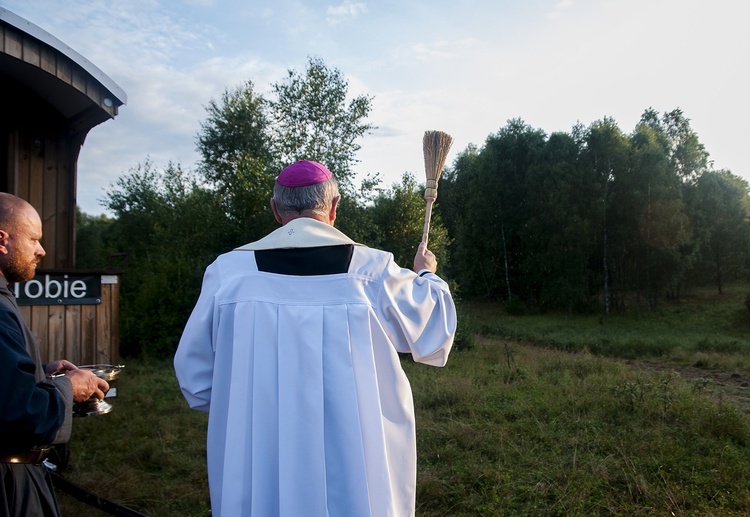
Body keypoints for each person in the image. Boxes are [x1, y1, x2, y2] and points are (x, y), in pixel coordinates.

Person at [174, 160, 457, 516]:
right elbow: (433, 333)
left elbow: (196, 380)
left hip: (259, 453)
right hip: (355, 453)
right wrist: (426, 275)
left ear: (276, 210)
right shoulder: (373, 271)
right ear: (334, 207)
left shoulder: (228, 274)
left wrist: (255, 407)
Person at [0, 192, 109, 517]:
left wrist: (42, 375)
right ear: (2, 240)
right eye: (33, 238)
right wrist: (69, 388)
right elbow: (21, 415)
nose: (41, 250)